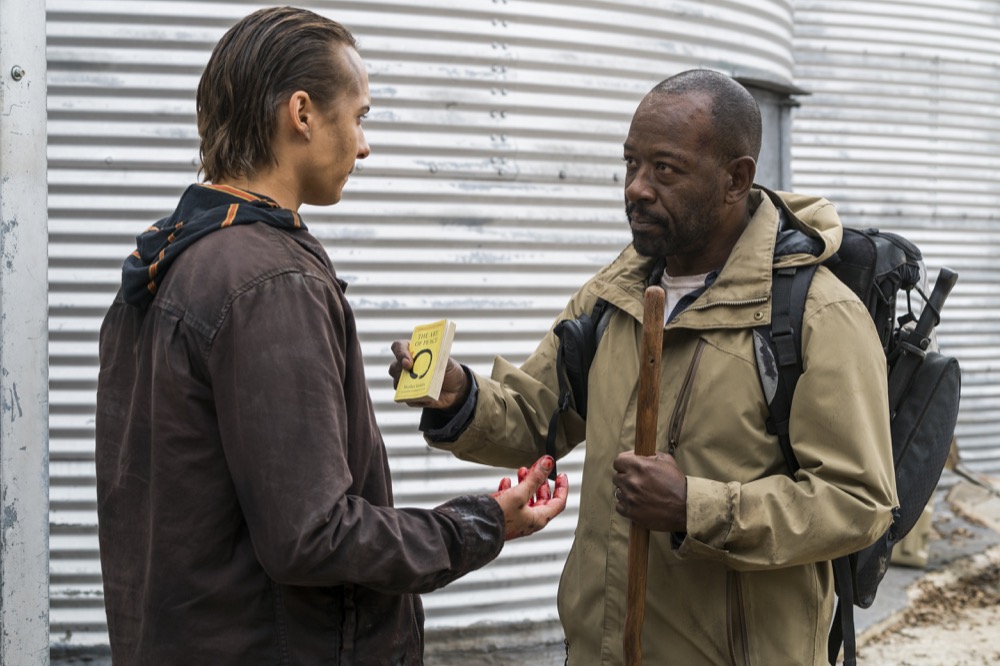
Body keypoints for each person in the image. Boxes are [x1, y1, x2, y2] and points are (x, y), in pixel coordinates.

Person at [94, 7, 568, 665]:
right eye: (361, 115)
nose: (365, 144)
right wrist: (483, 524)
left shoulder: (164, 265)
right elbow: (312, 537)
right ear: (303, 113)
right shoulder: (269, 282)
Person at [390, 69, 897, 665]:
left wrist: (694, 506)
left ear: (736, 179)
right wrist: (460, 398)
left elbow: (857, 501)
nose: (637, 188)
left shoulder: (815, 313)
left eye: (665, 169)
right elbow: (536, 416)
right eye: (631, 164)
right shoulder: (615, 295)